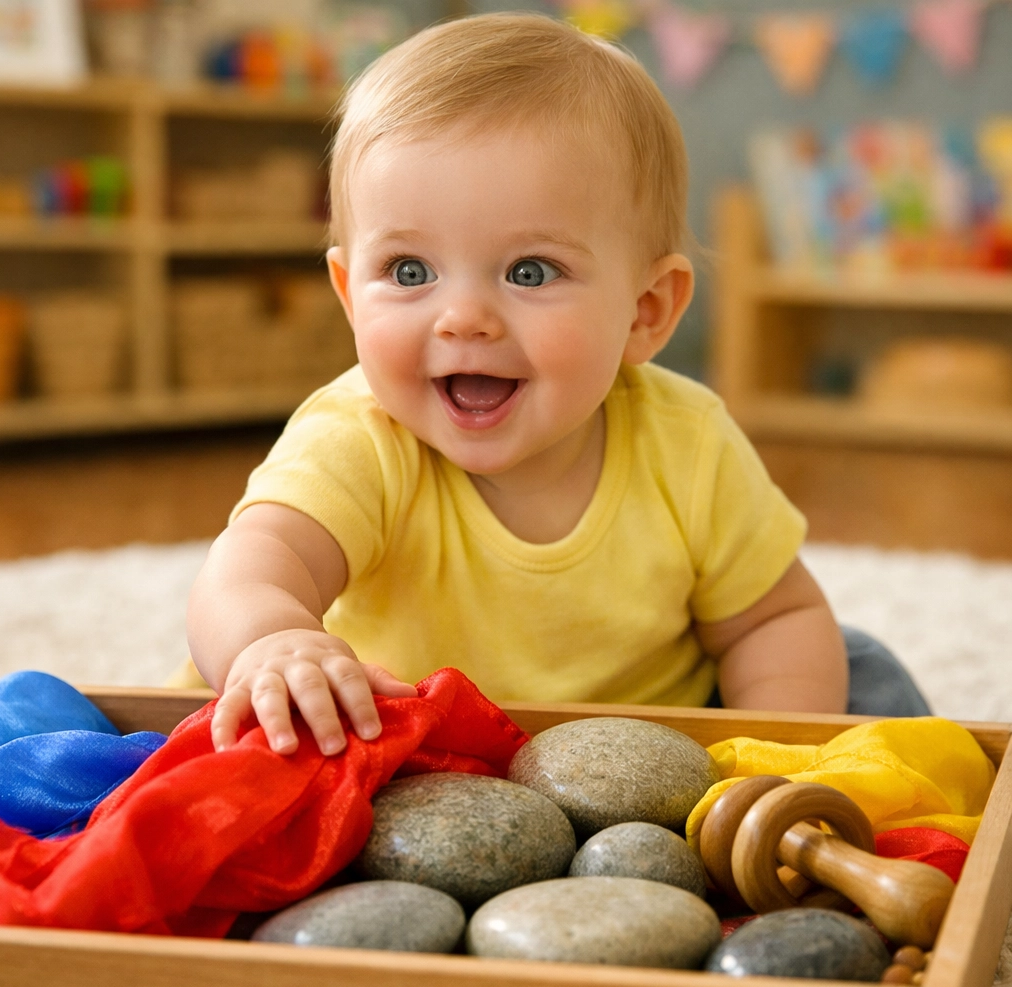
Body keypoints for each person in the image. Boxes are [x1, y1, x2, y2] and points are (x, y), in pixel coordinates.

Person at [186, 13, 929, 758]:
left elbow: (772, 619)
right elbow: (250, 566)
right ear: (350, 294)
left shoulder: (688, 443)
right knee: (248, 712)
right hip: (404, 748)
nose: (464, 319)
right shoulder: (359, 439)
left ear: (645, 312)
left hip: (649, 750)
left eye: (529, 272)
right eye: (409, 272)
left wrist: (768, 761)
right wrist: (275, 641)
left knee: (856, 666)